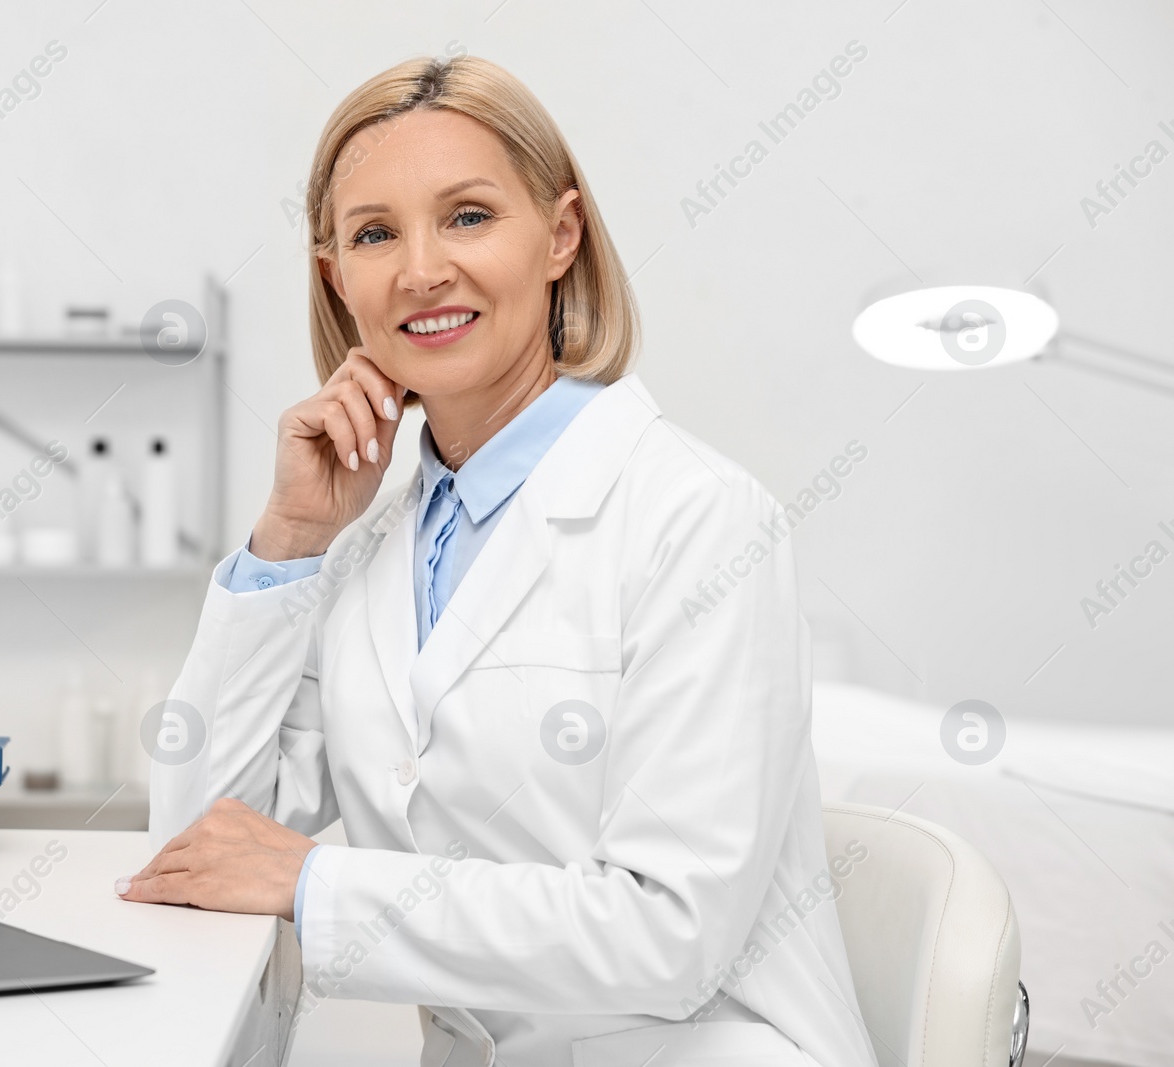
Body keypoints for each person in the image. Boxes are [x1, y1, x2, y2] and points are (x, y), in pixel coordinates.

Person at [118, 54, 878, 1067]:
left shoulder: (698, 519)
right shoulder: (370, 548)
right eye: (374, 233)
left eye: (467, 216)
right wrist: (290, 539)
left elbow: (668, 935)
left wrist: (315, 882)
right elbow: (198, 842)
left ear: (560, 235)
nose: (421, 269)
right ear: (335, 275)